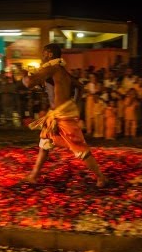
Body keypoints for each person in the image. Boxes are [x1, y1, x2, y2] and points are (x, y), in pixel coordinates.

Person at [22, 43, 107, 187]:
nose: (42, 57)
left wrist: (24, 75)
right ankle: (34, 175)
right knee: (44, 144)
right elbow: (79, 87)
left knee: (79, 147)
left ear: (49, 54)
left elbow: (29, 83)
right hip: (56, 115)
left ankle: (101, 177)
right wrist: (75, 105)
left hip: (62, 116)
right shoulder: (61, 70)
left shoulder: (52, 68)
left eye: (43, 53)